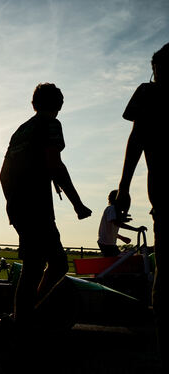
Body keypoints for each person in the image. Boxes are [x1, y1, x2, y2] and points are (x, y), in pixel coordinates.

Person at [0, 83, 91, 328]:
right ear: (59, 105)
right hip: (37, 208)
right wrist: (78, 203)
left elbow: (2, 174)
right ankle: (24, 318)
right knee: (56, 264)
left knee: (34, 264)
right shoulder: (51, 124)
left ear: (33, 104)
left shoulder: (20, 131)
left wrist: (13, 203)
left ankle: (23, 317)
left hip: (19, 207)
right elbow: (55, 164)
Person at [115, 43, 169, 367]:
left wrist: (124, 186)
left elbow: (136, 139)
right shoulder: (149, 95)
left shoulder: (148, 94)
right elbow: (136, 139)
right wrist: (123, 187)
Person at [98, 190, 147, 257]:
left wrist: (122, 238)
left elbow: (110, 230)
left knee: (120, 259)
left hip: (110, 244)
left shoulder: (114, 211)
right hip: (106, 244)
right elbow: (117, 223)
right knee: (119, 260)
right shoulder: (111, 209)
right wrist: (136, 229)